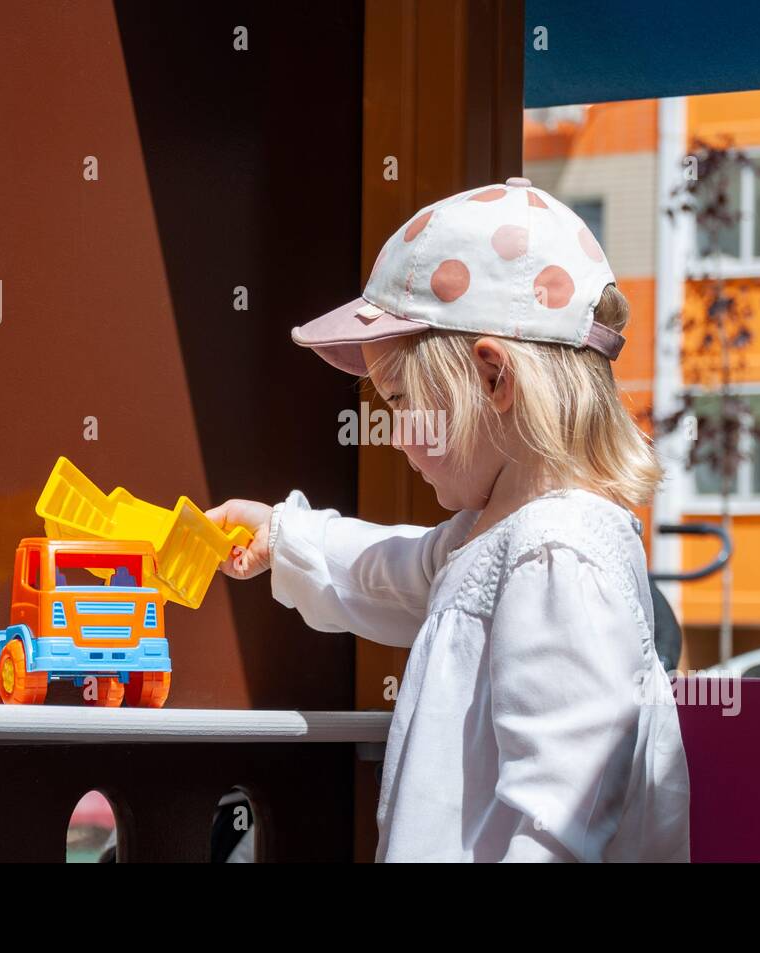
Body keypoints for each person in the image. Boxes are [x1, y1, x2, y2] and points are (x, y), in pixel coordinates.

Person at [206, 177, 690, 862]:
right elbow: (394, 572)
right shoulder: (496, 535)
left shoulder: (558, 556)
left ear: (495, 377)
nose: (397, 435)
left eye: (403, 401)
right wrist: (284, 534)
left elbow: (560, 824)